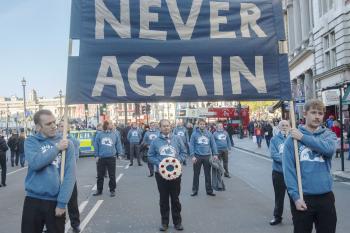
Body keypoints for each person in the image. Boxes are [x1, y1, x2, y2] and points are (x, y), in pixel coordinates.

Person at [283, 99, 337, 233]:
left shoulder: (328, 135)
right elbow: (288, 171)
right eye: (313, 112)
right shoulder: (292, 140)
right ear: (305, 114)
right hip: (303, 197)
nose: (317, 116)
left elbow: (328, 150)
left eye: (320, 113)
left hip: (325, 196)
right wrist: (295, 197)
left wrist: (303, 138)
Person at [21, 109, 76, 233]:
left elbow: (70, 176)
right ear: (38, 127)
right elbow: (35, 163)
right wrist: (56, 148)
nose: (53, 126)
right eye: (48, 124)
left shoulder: (67, 144)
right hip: (33, 200)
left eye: (54, 122)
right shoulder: (31, 142)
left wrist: (62, 203)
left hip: (55, 201)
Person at [148, 119, 186, 231]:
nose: (166, 128)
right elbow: (150, 156)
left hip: (175, 174)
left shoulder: (177, 139)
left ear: (171, 127)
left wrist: (177, 161)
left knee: (175, 198)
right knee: (163, 199)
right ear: (160, 127)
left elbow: (184, 153)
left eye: (168, 126)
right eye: (164, 126)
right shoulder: (155, 141)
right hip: (160, 175)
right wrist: (160, 164)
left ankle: (177, 222)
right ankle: (164, 222)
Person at [58, 121, 81, 233]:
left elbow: (75, 157)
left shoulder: (73, 141)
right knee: (57, 203)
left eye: (63, 126)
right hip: (57, 178)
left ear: (67, 128)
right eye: (60, 126)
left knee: (72, 202)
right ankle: (58, 224)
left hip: (69, 176)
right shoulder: (55, 141)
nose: (61, 128)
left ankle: (75, 224)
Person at [93, 120, 123, 197]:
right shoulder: (99, 135)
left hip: (111, 157)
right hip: (101, 158)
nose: (112, 125)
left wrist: (119, 154)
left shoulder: (115, 134)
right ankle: (99, 190)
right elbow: (96, 145)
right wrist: (96, 156)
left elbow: (118, 144)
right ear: (106, 125)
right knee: (100, 175)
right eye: (111, 124)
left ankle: (112, 190)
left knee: (112, 175)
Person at [189, 119, 218, 197]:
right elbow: (191, 145)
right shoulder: (194, 134)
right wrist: (192, 156)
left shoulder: (209, 134)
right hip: (197, 156)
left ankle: (209, 190)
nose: (202, 125)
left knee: (207, 174)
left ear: (205, 125)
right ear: (198, 125)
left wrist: (215, 154)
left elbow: (213, 144)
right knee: (196, 174)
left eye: (203, 124)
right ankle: (194, 190)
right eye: (201, 124)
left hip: (207, 156)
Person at [269, 120, 290, 226]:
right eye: (283, 125)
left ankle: (297, 217)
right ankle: (277, 217)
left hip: (291, 173)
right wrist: (287, 160)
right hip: (278, 173)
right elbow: (274, 154)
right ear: (278, 127)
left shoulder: (293, 139)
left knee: (294, 196)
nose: (285, 127)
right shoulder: (274, 139)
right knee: (279, 196)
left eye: (287, 125)